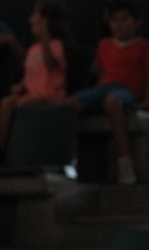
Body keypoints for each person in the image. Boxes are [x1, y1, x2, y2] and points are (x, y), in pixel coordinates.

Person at [63, 1, 149, 185]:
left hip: (126, 90)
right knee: (69, 103)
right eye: (114, 20)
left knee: (112, 101)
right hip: (102, 88)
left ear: (136, 22)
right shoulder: (105, 45)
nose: (119, 25)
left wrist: (146, 100)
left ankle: (124, 161)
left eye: (124, 19)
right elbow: (98, 71)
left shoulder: (143, 47)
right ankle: (67, 160)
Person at [0, 0, 69, 152]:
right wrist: (20, 86)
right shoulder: (32, 49)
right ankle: (1, 148)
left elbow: (51, 64)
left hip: (50, 96)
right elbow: (30, 73)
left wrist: (45, 38)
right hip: (30, 94)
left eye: (35, 15)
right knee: (6, 103)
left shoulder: (57, 45)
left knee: (23, 104)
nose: (31, 20)